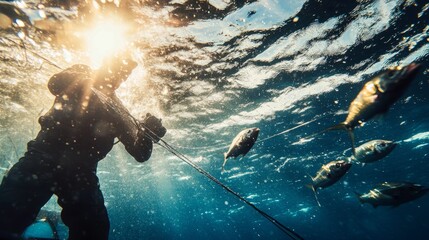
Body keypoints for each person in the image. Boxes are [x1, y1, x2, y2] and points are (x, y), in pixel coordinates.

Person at [0, 54, 167, 240]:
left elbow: (140, 153)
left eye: (125, 73)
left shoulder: (118, 109)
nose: (120, 76)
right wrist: (88, 80)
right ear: (105, 62)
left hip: (82, 173)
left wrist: (148, 134)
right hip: (43, 157)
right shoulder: (81, 71)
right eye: (118, 69)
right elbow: (54, 83)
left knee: (95, 230)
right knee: (6, 216)